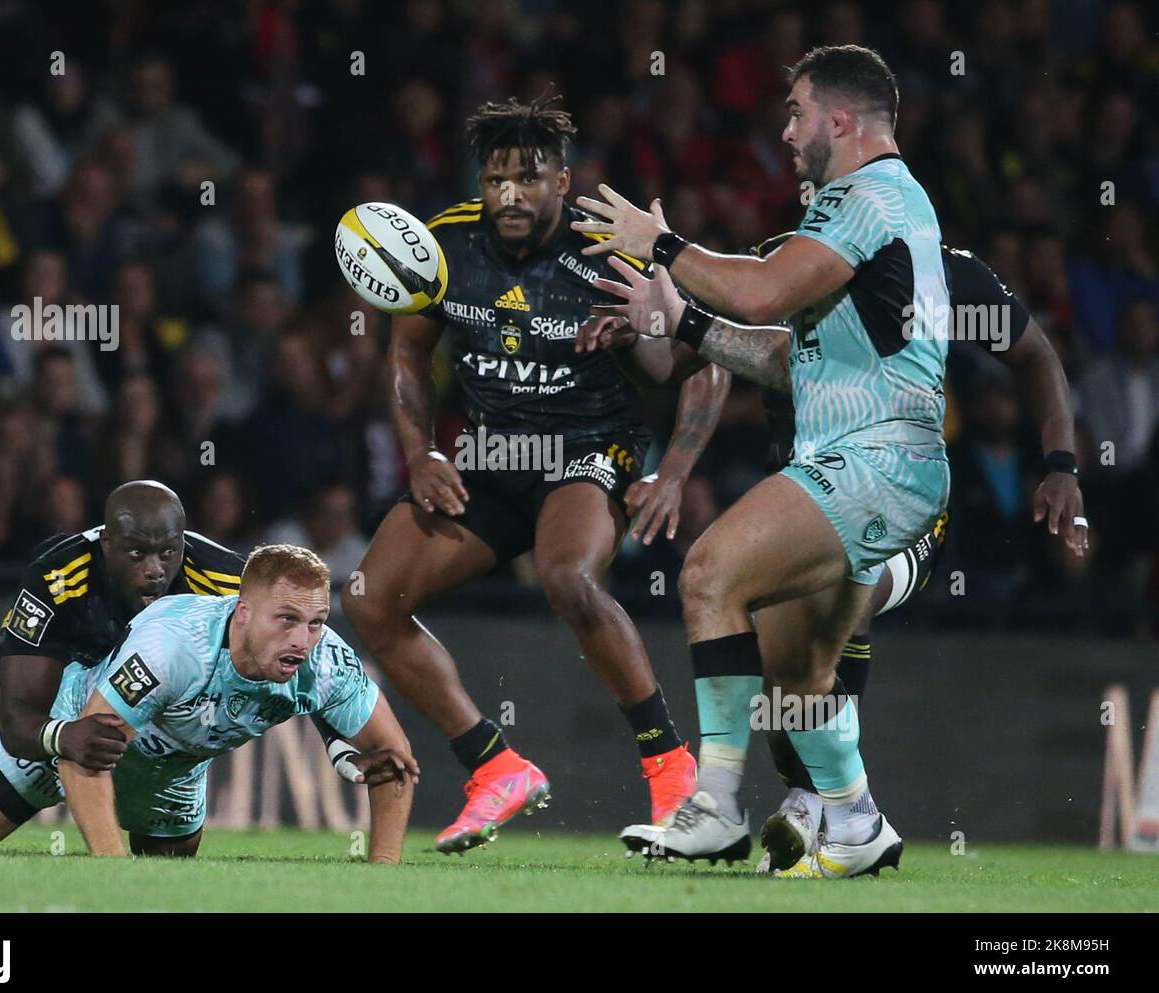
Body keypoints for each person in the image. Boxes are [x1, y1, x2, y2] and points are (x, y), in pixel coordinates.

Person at [579, 232, 1087, 870]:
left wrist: (1062, 465)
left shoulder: (945, 273)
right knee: (786, 670)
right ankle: (847, 813)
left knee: (825, 600)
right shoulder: (781, 266)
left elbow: (1037, 356)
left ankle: (787, 801)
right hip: (801, 496)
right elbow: (684, 361)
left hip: (897, 502)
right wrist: (634, 341)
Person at [574, 45, 952, 877]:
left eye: (797, 112)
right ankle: (854, 822)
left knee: (710, 570)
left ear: (841, 121)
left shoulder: (865, 193)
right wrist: (683, 325)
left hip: (877, 456)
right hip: (882, 457)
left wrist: (661, 242)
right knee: (794, 665)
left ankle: (713, 803)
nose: (786, 131)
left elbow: (761, 291)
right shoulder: (896, 204)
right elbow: (788, 355)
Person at [343, 93, 729, 853]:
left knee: (568, 577)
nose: (509, 195)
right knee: (368, 599)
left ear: (563, 180)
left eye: (528, 177)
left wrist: (676, 471)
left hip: (590, 447)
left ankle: (672, 770)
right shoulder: (443, 246)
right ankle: (494, 766)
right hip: (492, 454)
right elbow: (409, 356)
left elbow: (704, 359)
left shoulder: (610, 249)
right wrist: (421, 453)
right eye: (495, 179)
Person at [0, 545, 418, 861]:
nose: (303, 638)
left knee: (171, 895)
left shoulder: (324, 660)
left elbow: (394, 760)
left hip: (172, 775)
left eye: (316, 622)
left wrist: (382, 875)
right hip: (71, 736)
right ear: (242, 612)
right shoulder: (173, 647)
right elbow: (85, 754)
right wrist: (114, 871)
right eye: (288, 619)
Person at [0, 480, 373, 791]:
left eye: (168, 552)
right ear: (106, 544)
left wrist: (335, 743)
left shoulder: (224, 576)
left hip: (137, 684)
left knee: (164, 844)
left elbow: (302, 646)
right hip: (58, 662)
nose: (155, 569)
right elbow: (18, 717)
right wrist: (63, 737)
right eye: (137, 553)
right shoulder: (56, 576)